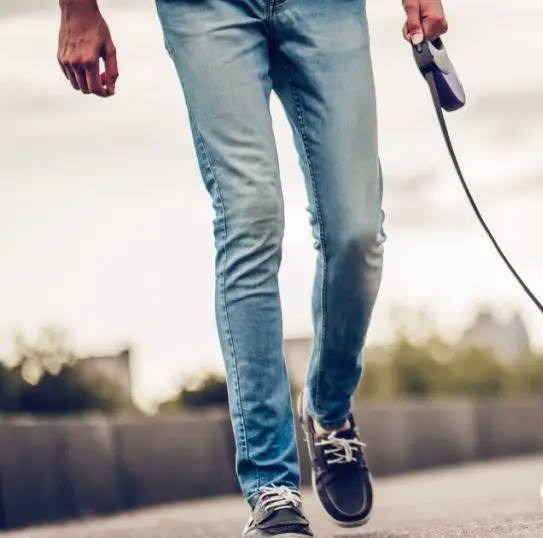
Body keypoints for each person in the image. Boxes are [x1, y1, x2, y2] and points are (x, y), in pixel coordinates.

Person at [56, 0, 449, 536]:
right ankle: (272, 484)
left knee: (356, 230)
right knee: (250, 216)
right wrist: (78, 8)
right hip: (205, 10)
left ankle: (328, 409)